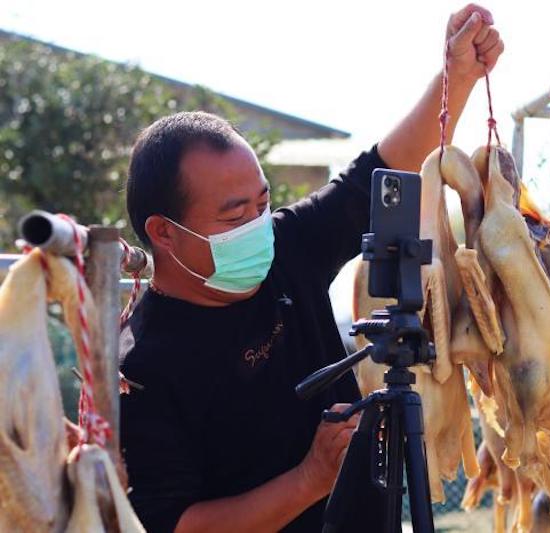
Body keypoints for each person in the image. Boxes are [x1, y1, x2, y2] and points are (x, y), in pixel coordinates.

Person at [119, 4, 504, 532]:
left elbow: (376, 172)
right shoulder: (141, 367)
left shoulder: (286, 248)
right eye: (236, 215)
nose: (259, 226)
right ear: (164, 232)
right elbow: (174, 524)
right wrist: (309, 480)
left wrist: (456, 75)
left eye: (262, 204)